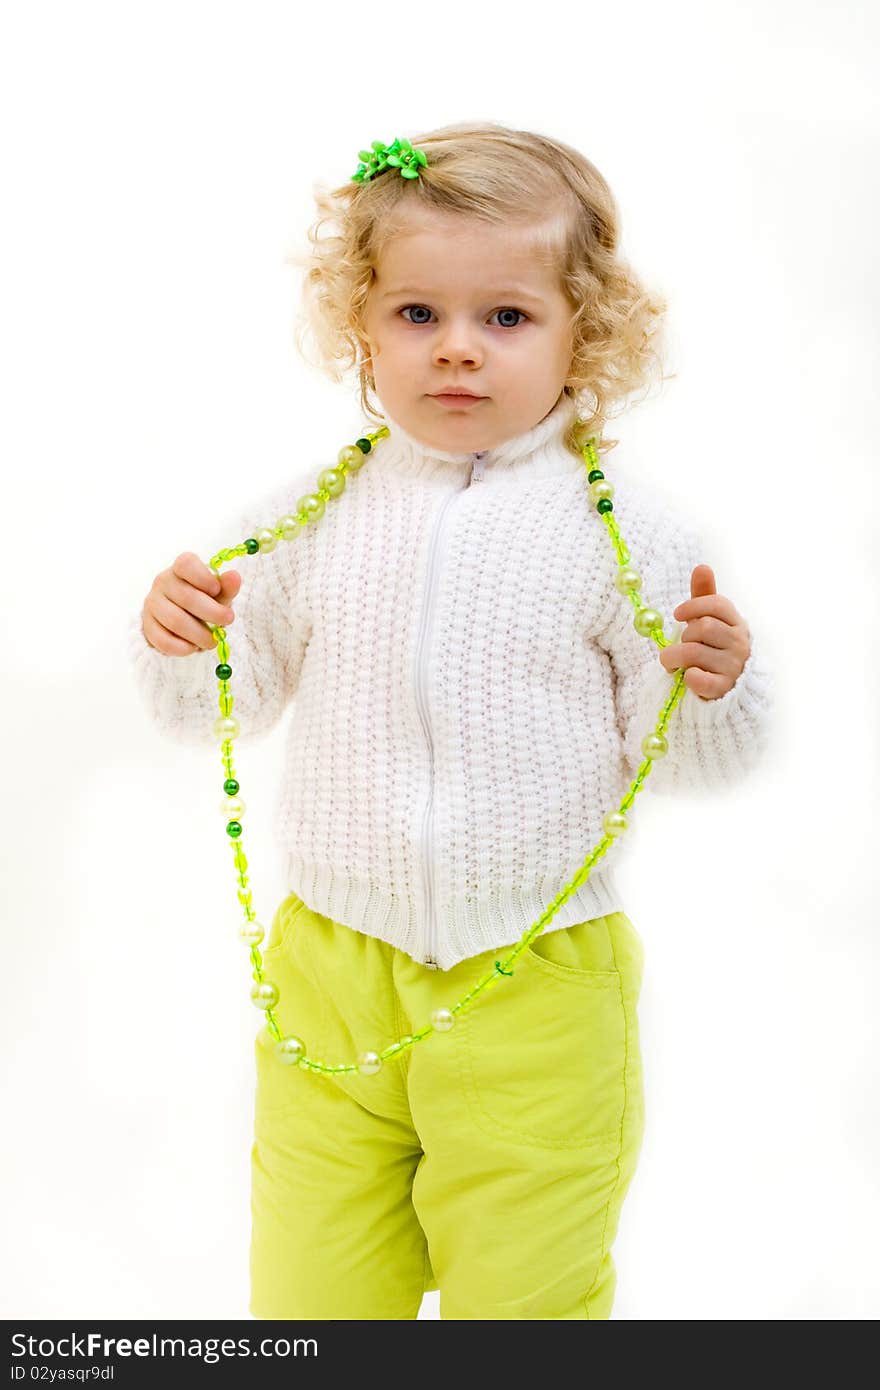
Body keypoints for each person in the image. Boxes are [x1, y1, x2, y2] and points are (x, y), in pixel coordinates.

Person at [127, 121, 774, 1320]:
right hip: (331, 973)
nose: (458, 352)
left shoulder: (632, 535)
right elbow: (232, 701)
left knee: (525, 1301)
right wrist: (189, 645)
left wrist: (713, 687)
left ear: (589, 330)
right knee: (310, 1295)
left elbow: (680, 763)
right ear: (360, 328)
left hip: (535, 987)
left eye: (508, 318)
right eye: (417, 315)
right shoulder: (305, 519)